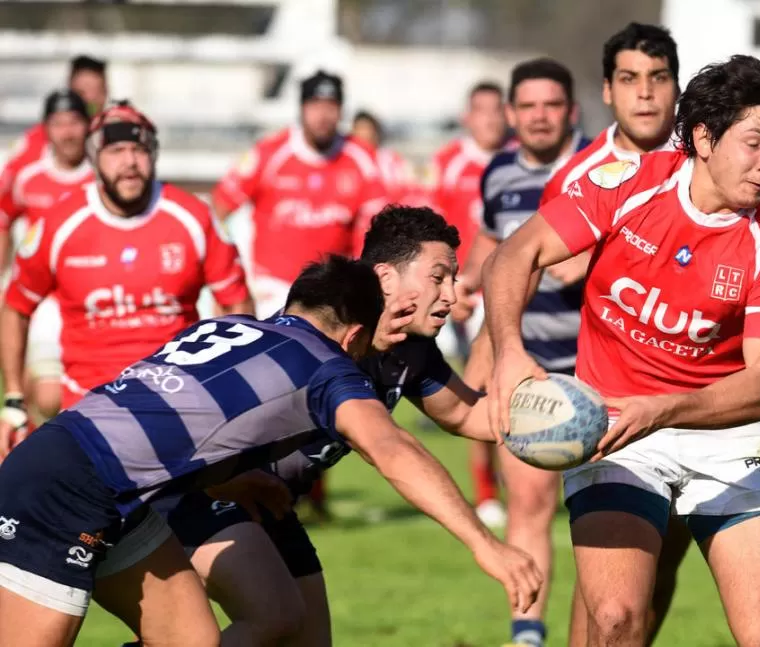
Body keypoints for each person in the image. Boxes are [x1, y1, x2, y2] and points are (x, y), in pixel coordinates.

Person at [0, 255, 542, 647]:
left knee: (192, 640)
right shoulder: (325, 366)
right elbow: (393, 448)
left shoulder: (230, 326)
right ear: (353, 334)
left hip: (100, 481)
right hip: (64, 494)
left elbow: (161, 427)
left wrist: (226, 481)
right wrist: (484, 545)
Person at [484, 55, 760, 647]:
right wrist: (509, 349)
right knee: (614, 619)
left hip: (723, 434)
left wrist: (660, 408)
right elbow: (516, 254)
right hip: (615, 432)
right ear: (705, 138)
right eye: (756, 143)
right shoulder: (629, 184)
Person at [158, 205, 518, 646]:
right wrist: (485, 544)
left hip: (269, 504)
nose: (450, 294)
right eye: (437, 277)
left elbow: (466, 414)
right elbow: (392, 452)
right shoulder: (322, 333)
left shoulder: (410, 350)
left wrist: (576, 419)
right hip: (205, 490)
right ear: (385, 278)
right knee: (275, 618)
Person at [0, 101, 254, 454]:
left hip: (177, 403)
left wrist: (234, 385)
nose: (130, 161)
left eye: (139, 149)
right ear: (94, 158)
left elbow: (235, 303)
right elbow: (16, 307)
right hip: (88, 409)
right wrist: (13, 400)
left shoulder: (194, 218)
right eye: (116, 150)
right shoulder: (59, 225)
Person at [453, 58, 588, 647]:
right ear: (510, 114)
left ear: (572, 111)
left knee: (608, 518)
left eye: (551, 105)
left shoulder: (598, 169)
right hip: (526, 366)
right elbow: (489, 242)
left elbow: (586, 262)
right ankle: (527, 632)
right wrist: (462, 283)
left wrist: (543, 260)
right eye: (527, 106)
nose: (539, 117)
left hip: (605, 369)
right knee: (529, 505)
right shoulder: (500, 171)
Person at [210, 69, 388, 320]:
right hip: (271, 289)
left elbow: (376, 229)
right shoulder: (270, 153)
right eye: (315, 106)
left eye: (331, 107)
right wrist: (225, 280)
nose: (323, 116)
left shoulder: (361, 159)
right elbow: (219, 210)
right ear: (302, 108)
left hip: (333, 290)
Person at [429, 80, 509, 527]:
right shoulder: (447, 164)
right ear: (468, 116)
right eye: (482, 110)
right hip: (461, 289)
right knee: (477, 387)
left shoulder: (521, 159)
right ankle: (486, 490)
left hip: (511, 286)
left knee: (496, 383)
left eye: (497, 110)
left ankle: (506, 484)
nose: (491, 119)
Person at [0, 90, 94, 430]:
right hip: (42, 299)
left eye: (74, 122)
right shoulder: (29, 177)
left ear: (87, 126)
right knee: (40, 397)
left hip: (86, 299)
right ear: (47, 129)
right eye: (58, 124)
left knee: (55, 398)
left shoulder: (101, 178)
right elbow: (4, 217)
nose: (67, 132)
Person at [351, 110, 430, 208]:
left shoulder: (388, 158)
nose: (363, 133)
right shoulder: (348, 160)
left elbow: (407, 186)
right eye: (359, 129)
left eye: (367, 128)